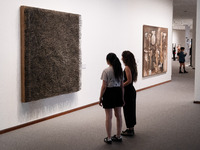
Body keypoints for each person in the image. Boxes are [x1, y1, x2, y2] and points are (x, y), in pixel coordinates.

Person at [99, 53, 124, 144]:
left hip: (109, 93)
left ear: (108, 60)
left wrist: (100, 97)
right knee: (119, 116)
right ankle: (118, 136)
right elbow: (122, 86)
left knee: (108, 117)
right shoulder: (119, 70)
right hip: (117, 93)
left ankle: (109, 138)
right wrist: (122, 98)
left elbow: (104, 86)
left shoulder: (106, 71)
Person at [121, 50, 138, 136]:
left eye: (122, 57)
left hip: (128, 91)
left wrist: (121, 85)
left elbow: (129, 80)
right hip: (131, 90)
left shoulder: (127, 67)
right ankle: (131, 128)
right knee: (131, 109)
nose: (121, 58)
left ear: (125, 58)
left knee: (128, 110)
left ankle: (130, 130)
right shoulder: (133, 66)